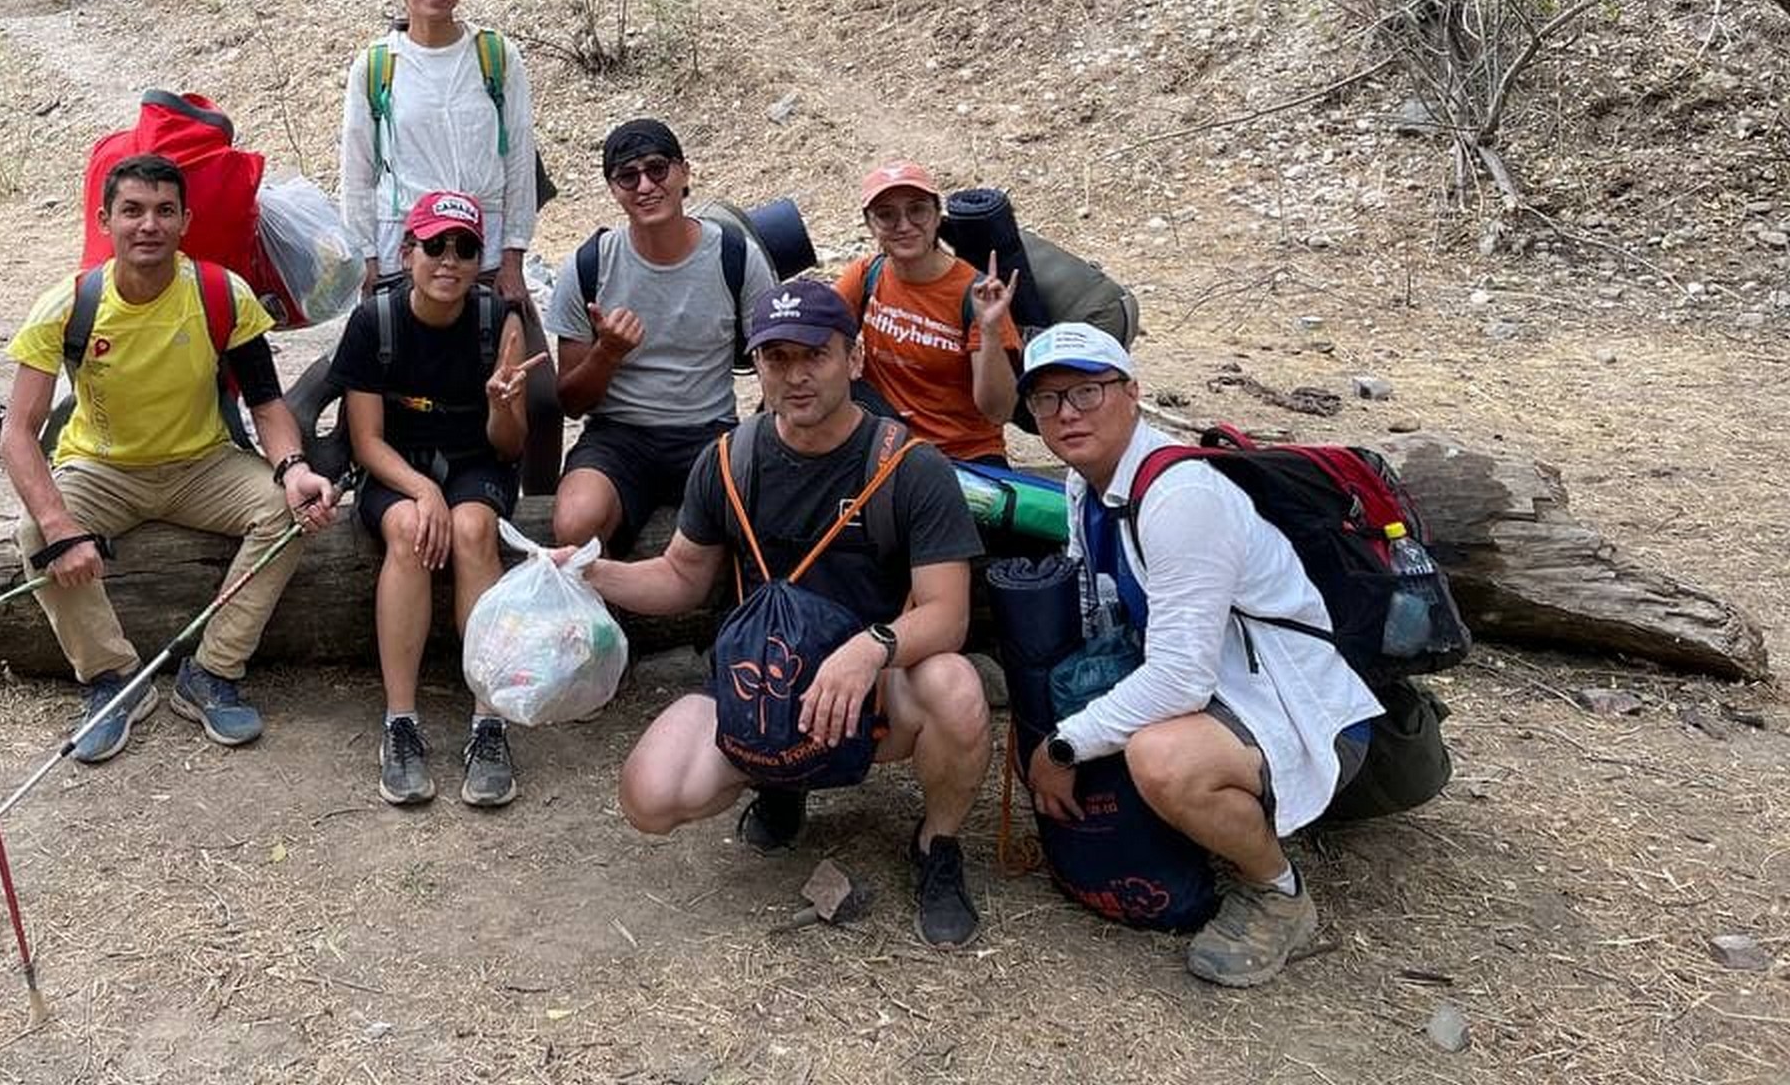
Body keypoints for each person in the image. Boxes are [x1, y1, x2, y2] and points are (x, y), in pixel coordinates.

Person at [571, 278, 995, 945]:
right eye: (776, 359)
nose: (796, 377)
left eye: (814, 355)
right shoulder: (730, 459)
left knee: (956, 688)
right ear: (758, 367)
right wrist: (591, 573)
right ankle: (780, 777)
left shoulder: (910, 468)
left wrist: (870, 648)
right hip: (762, 683)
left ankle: (936, 846)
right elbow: (682, 577)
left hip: (875, 692)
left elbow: (947, 615)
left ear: (853, 361)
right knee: (649, 798)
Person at [1018, 322, 1384, 988]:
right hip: (1216, 688)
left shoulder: (1180, 499)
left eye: (1088, 392)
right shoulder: (1087, 486)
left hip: (1290, 708)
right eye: (1047, 400)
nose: (1067, 413)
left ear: (1132, 392)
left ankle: (1278, 893)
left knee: (1160, 760)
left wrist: (1063, 746)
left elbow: (1181, 678)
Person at [0, 153, 340, 760]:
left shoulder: (219, 293)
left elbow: (265, 402)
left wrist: (292, 469)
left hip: (203, 463)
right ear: (105, 220)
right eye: (132, 211)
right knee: (35, 534)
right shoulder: (69, 304)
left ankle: (212, 671)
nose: (148, 225)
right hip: (101, 468)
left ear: (186, 220)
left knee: (287, 514)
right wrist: (58, 525)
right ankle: (113, 680)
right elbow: (18, 433)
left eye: (163, 211)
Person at [323, 190, 542, 808]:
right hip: (398, 465)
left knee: (474, 530)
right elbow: (365, 440)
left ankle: (489, 722)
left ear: (481, 259)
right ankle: (400, 722)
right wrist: (422, 491)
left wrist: (502, 404)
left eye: (466, 247)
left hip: (477, 461)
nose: (449, 259)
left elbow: (510, 442)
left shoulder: (499, 322)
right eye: (435, 245)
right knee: (410, 532)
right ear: (407, 250)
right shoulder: (376, 321)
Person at [547, 118, 777, 550]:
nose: (645, 186)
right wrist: (608, 353)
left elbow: (776, 360)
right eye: (627, 177)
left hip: (709, 431)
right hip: (618, 435)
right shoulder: (590, 264)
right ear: (613, 190)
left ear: (684, 172)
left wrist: (763, 438)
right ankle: (597, 616)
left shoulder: (735, 256)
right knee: (575, 523)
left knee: (760, 516)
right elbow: (572, 403)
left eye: (658, 169)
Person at [337, 0, 540, 319]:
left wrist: (513, 255)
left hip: (483, 248)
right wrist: (366, 255)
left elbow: (518, 158)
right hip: (407, 249)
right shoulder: (376, 66)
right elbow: (357, 169)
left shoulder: (496, 56)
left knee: (523, 377)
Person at [833, 161, 1020, 465]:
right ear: (870, 225)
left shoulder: (975, 293)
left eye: (917, 210)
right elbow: (816, 334)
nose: (904, 225)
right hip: (886, 447)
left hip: (963, 453)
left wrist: (988, 330)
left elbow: (999, 411)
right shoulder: (866, 276)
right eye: (886, 215)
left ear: (936, 217)